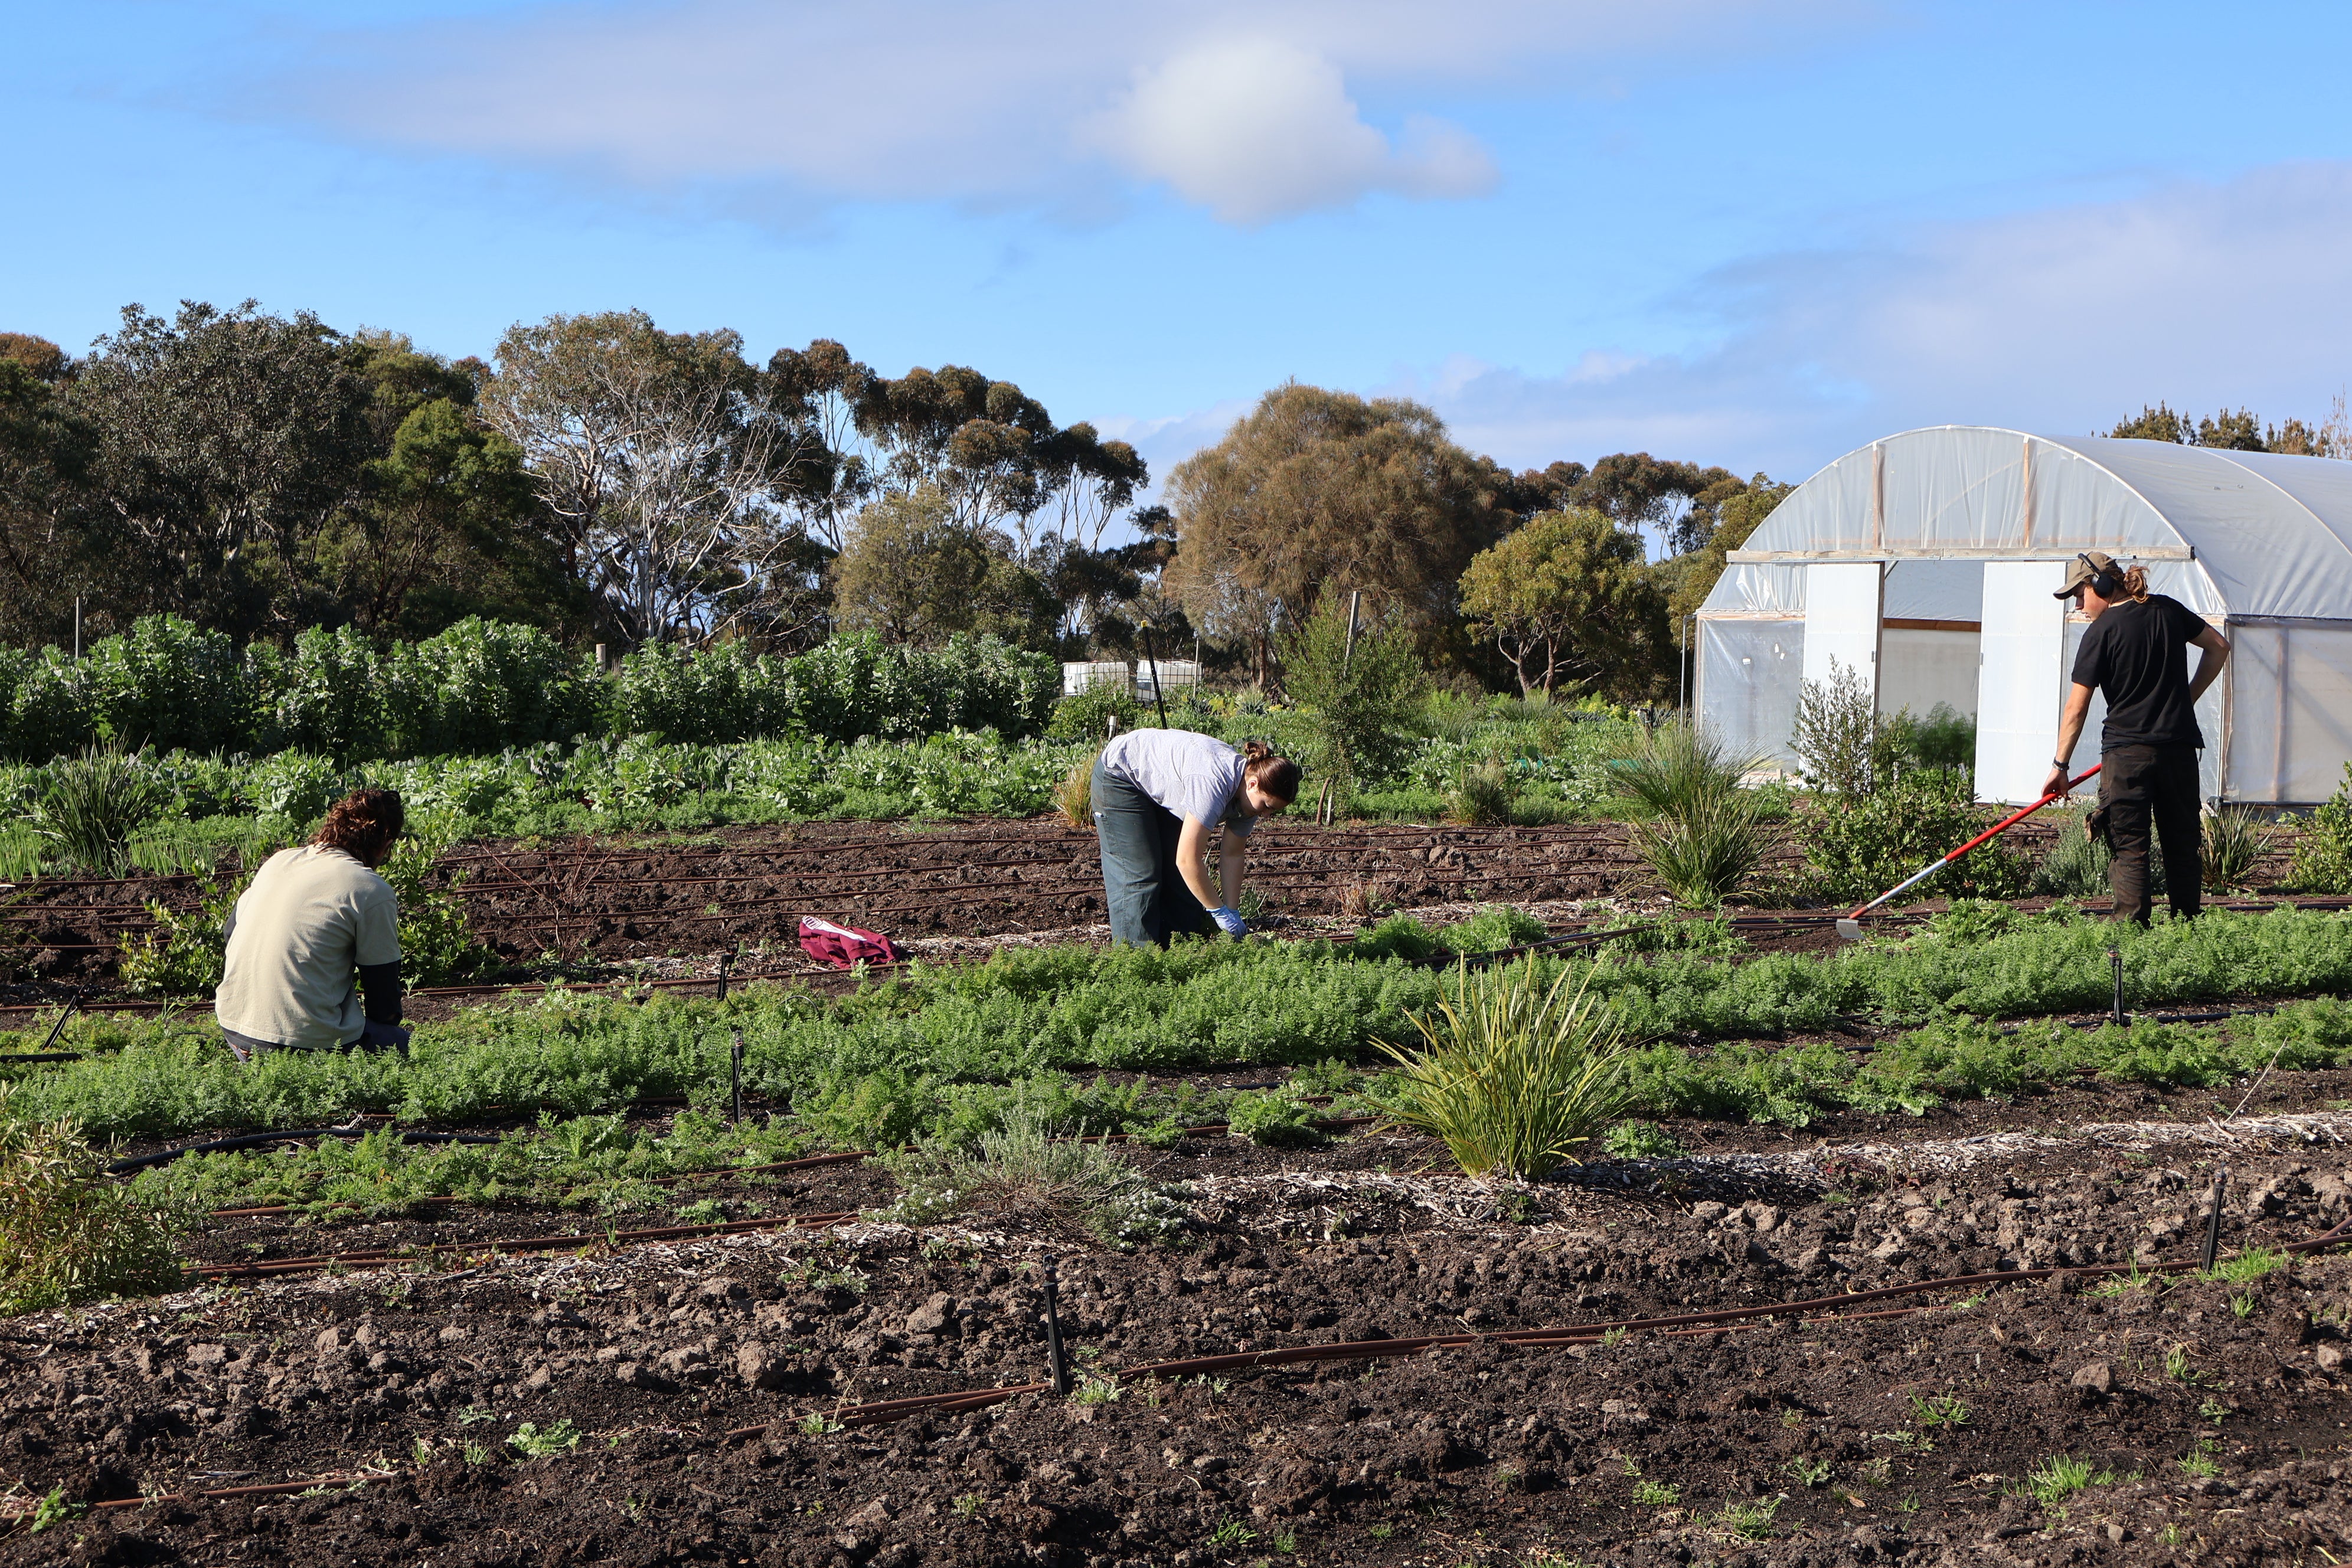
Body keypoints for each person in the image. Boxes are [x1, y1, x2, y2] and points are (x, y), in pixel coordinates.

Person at [2043, 551, 2230, 925]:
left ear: (2101, 584)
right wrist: (2185, 700)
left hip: (2126, 757)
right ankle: (2187, 937)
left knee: (2130, 850)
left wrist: (2059, 766)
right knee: (2182, 848)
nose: (2079, 606)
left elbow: (2075, 710)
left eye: (2080, 595)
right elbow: (2219, 647)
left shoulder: (2101, 631)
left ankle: (2132, 944)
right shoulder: (2169, 611)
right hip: (2178, 751)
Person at [216, 788, 413, 1061]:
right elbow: (384, 1003)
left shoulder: (280, 860)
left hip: (235, 1028)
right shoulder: (369, 889)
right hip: (303, 1045)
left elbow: (231, 932)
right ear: (384, 844)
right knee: (402, 1045)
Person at [1092, 730, 1300, 947]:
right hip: (1121, 774)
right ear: (1253, 784)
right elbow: (1187, 860)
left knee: (1181, 882)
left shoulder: (1250, 803)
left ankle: (1181, 954)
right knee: (1141, 873)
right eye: (1267, 806)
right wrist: (1217, 911)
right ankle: (1136, 965)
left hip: (1162, 784)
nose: (1266, 815)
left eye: (1273, 811)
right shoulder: (1213, 783)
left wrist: (1232, 912)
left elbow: (1232, 853)